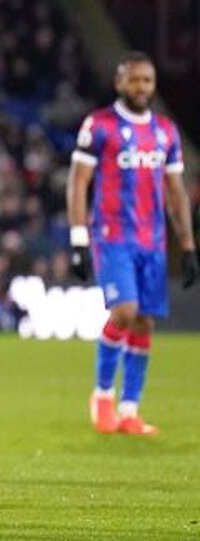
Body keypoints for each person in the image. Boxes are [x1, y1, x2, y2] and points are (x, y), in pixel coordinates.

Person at [67, 51, 197, 435]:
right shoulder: (100, 125)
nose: (141, 87)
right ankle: (103, 396)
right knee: (124, 311)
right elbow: (78, 182)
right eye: (134, 80)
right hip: (112, 235)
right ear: (119, 83)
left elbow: (176, 193)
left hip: (152, 240)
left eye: (148, 81)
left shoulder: (165, 132)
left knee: (143, 321)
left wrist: (188, 246)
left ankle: (130, 409)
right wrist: (78, 239)